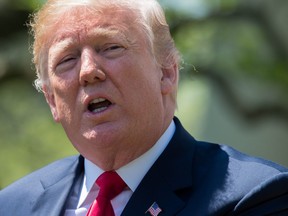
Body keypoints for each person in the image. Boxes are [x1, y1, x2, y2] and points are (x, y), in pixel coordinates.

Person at [0, 0, 287, 215]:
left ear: (166, 73)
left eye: (110, 47)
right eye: (67, 60)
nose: (88, 71)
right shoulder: (11, 206)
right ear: (52, 100)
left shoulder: (257, 196)